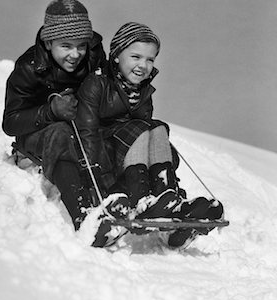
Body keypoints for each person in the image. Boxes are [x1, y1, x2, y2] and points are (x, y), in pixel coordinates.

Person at [75, 22, 224, 248]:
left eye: (150, 59)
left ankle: (168, 196)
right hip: (104, 155)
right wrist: (91, 173)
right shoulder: (96, 84)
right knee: (142, 129)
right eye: (135, 57)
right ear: (115, 56)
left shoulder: (143, 91)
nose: (143, 65)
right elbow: (86, 132)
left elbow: (149, 135)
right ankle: (142, 199)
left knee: (157, 127)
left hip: (130, 154)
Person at [2, 0, 109, 235]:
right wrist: (50, 111)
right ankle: (84, 216)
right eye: (66, 46)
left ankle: (129, 201)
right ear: (49, 43)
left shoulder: (94, 57)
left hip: (81, 129)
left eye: (81, 45)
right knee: (60, 133)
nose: (75, 54)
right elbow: (11, 122)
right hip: (38, 135)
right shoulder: (28, 68)